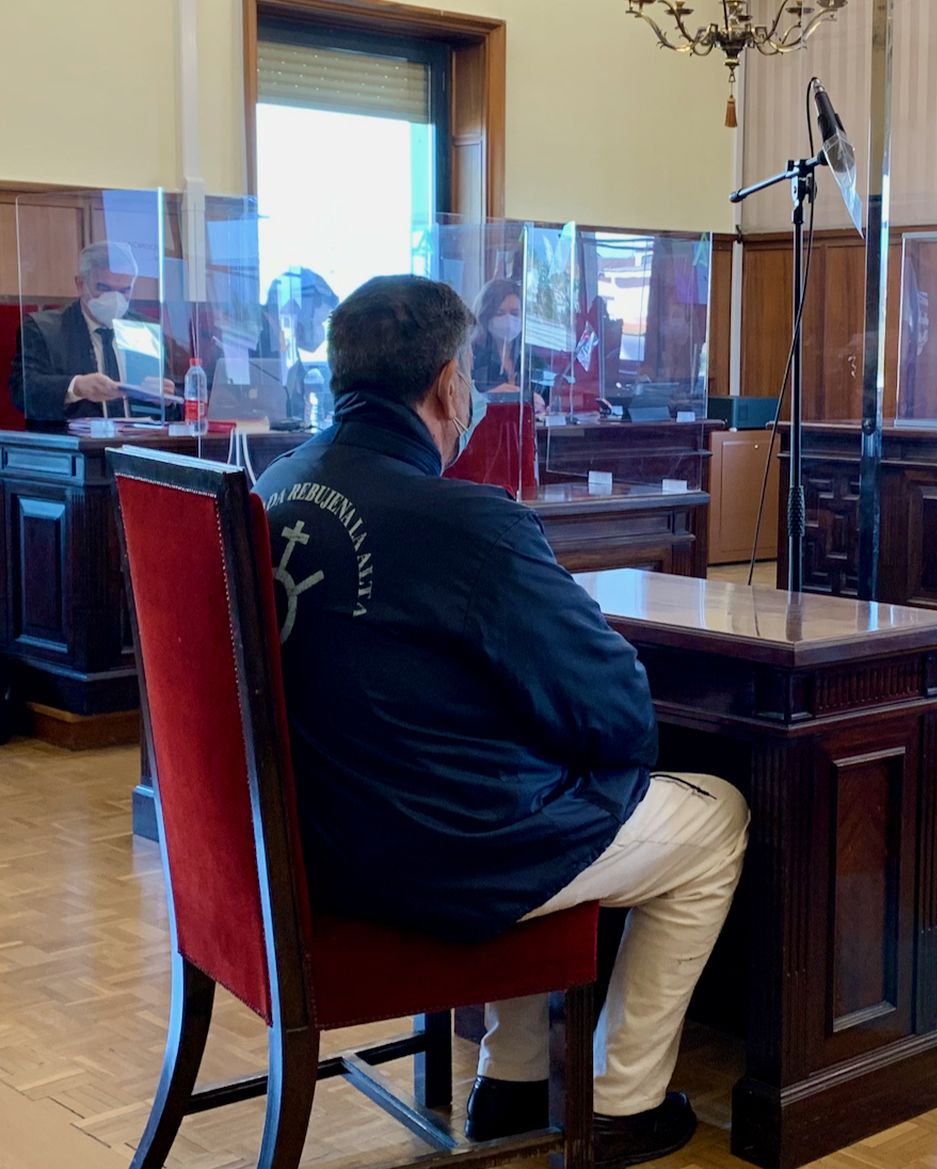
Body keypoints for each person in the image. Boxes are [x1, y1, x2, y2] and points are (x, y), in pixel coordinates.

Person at [252, 275, 746, 1169]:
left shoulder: (274, 484)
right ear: (449, 384)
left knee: (520, 773)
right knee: (715, 814)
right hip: (429, 860)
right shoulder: (468, 521)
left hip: (307, 845)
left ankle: (513, 1076)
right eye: (473, 370)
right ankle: (626, 1099)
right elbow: (614, 704)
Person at [8, 241, 173, 426]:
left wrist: (167, 400)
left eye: (124, 290)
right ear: (80, 285)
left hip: (141, 445)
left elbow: (177, 408)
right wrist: (76, 386)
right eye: (103, 288)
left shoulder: (145, 331)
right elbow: (23, 392)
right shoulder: (44, 329)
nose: (114, 298)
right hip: (73, 449)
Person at [260, 267, 339, 424]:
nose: (320, 331)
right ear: (300, 309)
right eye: (319, 322)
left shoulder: (286, 343)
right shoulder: (259, 341)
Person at [468, 277, 547, 408]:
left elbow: (550, 396)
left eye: (515, 313)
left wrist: (541, 403)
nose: (509, 320)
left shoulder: (531, 356)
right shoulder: (471, 356)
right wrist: (489, 397)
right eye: (500, 313)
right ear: (485, 315)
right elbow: (456, 403)